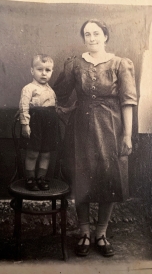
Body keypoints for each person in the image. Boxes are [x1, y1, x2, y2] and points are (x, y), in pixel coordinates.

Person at [53, 19, 137, 257]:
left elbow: (128, 101)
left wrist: (127, 135)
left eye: (96, 33)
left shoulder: (120, 64)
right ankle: (84, 233)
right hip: (80, 129)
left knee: (109, 178)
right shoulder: (75, 64)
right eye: (87, 34)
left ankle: (101, 233)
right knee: (82, 178)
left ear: (105, 36)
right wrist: (64, 109)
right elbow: (59, 93)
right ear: (84, 38)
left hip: (111, 126)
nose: (92, 38)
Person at [19, 54, 59, 191]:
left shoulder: (51, 91)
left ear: (52, 72)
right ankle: (30, 179)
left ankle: (41, 178)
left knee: (46, 153)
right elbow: (23, 107)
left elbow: (56, 108)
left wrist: (69, 109)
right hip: (35, 124)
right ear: (32, 71)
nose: (43, 73)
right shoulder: (28, 88)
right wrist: (25, 125)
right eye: (39, 69)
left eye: (48, 70)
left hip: (50, 125)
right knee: (33, 153)